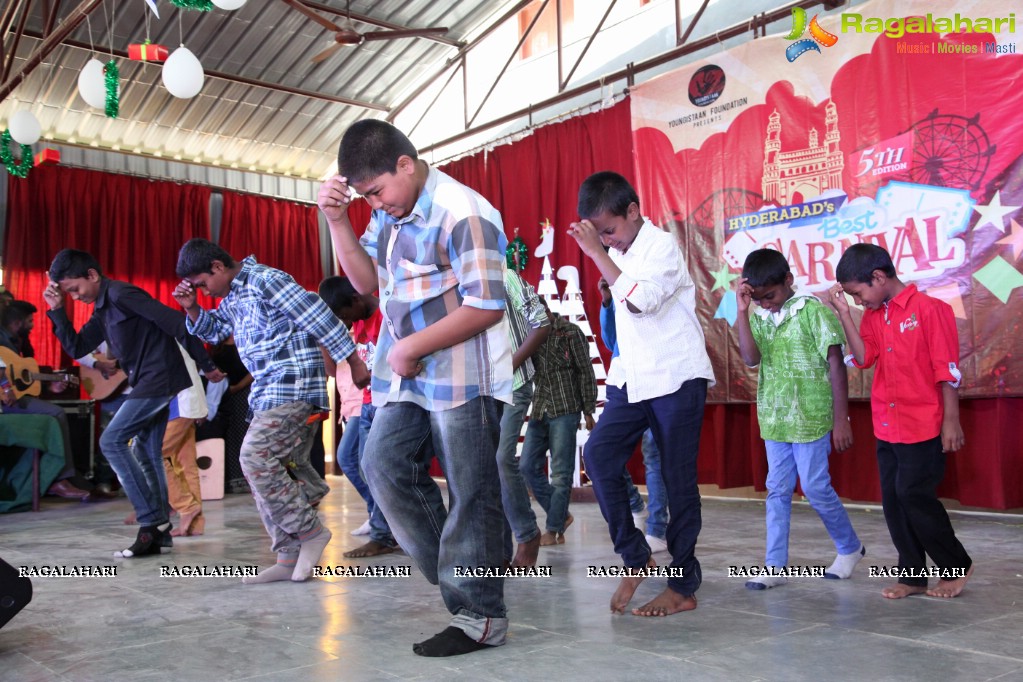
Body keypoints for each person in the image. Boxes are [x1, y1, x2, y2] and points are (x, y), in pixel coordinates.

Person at [318, 119, 513, 657]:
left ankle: (481, 614)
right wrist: (337, 221)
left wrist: (409, 347)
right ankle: (465, 579)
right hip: (407, 374)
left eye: (377, 191)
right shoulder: (388, 212)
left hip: (465, 373)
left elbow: (488, 304)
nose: (374, 204)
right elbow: (363, 282)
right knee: (382, 466)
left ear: (406, 164)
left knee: (472, 490)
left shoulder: (463, 211)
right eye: (363, 197)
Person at [173, 239, 368, 584]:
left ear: (217, 267)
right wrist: (191, 309)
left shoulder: (266, 280)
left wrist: (351, 361)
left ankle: (309, 532)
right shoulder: (233, 296)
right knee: (271, 470)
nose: (203, 291)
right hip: (266, 391)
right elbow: (215, 330)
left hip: (293, 384)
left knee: (253, 457)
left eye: (202, 284)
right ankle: (287, 554)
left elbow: (319, 316)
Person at [568, 171, 714, 617]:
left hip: (675, 378)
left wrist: (598, 254)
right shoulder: (619, 252)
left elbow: (642, 302)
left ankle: (684, 585)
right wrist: (608, 258)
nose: (607, 240)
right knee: (599, 456)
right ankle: (635, 555)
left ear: (633, 211)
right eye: (598, 234)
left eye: (609, 230)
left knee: (676, 480)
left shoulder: (661, 246)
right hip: (632, 380)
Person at [45, 249, 222, 556]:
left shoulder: (122, 294)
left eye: (74, 290)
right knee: (144, 449)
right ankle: (160, 533)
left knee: (111, 440)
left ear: (92, 275)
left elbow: (176, 323)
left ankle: (150, 522)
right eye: (68, 294)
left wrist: (206, 365)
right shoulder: (102, 309)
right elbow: (76, 347)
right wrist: (57, 311)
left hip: (161, 377)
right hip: (147, 380)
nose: (75, 297)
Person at [826, 243, 972, 599]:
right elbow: (862, 359)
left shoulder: (930, 309)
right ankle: (912, 575)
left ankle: (955, 565)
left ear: (878, 276)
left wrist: (951, 420)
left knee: (913, 493)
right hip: (887, 424)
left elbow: (947, 369)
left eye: (858, 293)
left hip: (924, 423)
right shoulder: (875, 316)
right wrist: (847, 314)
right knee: (893, 499)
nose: (859, 301)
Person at [734, 249, 864, 590]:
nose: (767, 304)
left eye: (771, 296)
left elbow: (836, 362)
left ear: (789, 281)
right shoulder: (758, 315)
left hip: (812, 417)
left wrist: (842, 419)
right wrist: (743, 310)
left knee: (816, 486)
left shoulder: (812, 310)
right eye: (759, 299)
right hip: (776, 419)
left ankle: (849, 548)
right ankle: (774, 564)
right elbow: (749, 358)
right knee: (777, 490)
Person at [317, 275, 398, 556]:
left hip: (389, 403)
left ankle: (390, 532)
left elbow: (400, 363)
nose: (345, 323)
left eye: (343, 315)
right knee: (364, 466)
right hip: (367, 403)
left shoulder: (387, 316)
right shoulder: (360, 319)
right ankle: (383, 532)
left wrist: (371, 376)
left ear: (355, 300)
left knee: (379, 468)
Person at [599, 277, 669, 554]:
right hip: (623, 382)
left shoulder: (646, 280)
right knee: (602, 452)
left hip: (655, 377)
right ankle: (636, 506)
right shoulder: (616, 288)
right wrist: (606, 302)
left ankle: (657, 528)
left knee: (654, 455)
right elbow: (610, 341)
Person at [519, 298, 595, 546]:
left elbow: (585, 371)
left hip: (566, 408)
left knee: (561, 474)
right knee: (527, 467)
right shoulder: (531, 335)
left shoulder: (570, 332)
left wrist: (588, 410)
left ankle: (553, 530)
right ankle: (561, 516)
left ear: (547, 311)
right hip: (540, 408)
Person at [0, 300, 90, 499]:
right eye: (29, 321)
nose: (33, 325)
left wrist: (51, 386)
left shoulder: (18, 343)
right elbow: (5, 376)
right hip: (4, 403)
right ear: (16, 323)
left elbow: (24, 381)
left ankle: (55, 478)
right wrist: (4, 388)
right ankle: (59, 481)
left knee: (53, 410)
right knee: (55, 412)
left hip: (15, 399)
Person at [495, 267, 550, 567]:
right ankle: (499, 547)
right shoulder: (457, 279)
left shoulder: (506, 277)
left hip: (513, 382)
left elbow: (541, 323)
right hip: (477, 387)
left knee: (502, 458)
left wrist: (508, 366)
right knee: (483, 466)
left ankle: (527, 533)